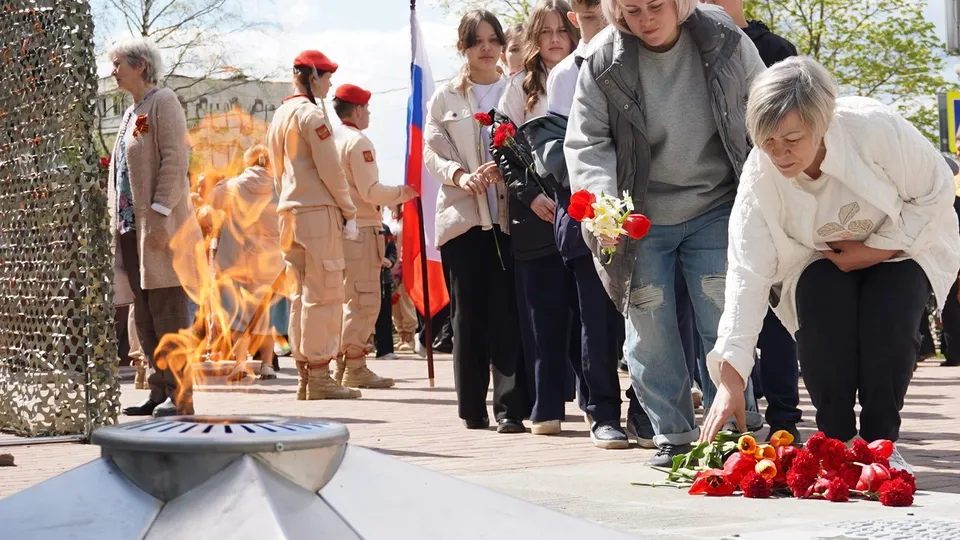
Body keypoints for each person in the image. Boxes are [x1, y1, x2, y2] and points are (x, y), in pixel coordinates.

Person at [701, 58, 960, 473]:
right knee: (822, 327)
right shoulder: (759, 180)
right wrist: (731, 378)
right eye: (767, 141)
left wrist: (875, 250)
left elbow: (936, 192)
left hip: (904, 245)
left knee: (890, 324)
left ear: (823, 122)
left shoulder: (875, 128)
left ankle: (880, 442)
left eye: (792, 139)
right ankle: (834, 443)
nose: (779, 154)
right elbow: (747, 273)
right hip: (816, 259)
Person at [565, 0, 766, 466]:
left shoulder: (725, 37)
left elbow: (762, 105)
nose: (645, 20)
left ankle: (735, 430)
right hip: (639, 215)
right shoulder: (602, 56)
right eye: (631, 11)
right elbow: (587, 141)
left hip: (717, 202)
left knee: (724, 318)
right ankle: (674, 435)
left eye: (656, 6)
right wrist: (603, 207)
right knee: (649, 326)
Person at [424, 9, 530, 433]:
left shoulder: (517, 91)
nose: (486, 48)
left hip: (509, 218)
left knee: (508, 313)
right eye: (476, 41)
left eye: (492, 40)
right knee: (468, 317)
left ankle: (510, 409)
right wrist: (459, 175)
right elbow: (433, 149)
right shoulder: (444, 97)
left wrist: (507, 168)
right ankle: (472, 408)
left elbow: (531, 146)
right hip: (464, 218)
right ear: (463, 48)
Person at [705, 0, 802, 441]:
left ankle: (785, 414)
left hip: (775, 191)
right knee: (732, 306)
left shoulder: (776, 47)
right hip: (718, 197)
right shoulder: (695, 43)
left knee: (778, 310)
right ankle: (739, 403)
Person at [495, 0, 583, 439]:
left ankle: (595, 401)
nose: (553, 39)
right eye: (544, 31)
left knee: (587, 316)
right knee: (544, 317)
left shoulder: (589, 74)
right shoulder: (518, 88)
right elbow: (503, 148)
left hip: (582, 212)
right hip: (536, 221)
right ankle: (546, 406)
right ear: (533, 38)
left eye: (560, 31)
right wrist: (530, 196)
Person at [109, 38, 203, 418]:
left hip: (160, 229)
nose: (113, 71)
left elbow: (175, 159)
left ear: (141, 66)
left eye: (118, 64)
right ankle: (157, 390)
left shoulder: (164, 101)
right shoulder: (130, 112)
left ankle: (182, 396)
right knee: (144, 315)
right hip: (132, 231)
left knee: (169, 312)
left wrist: (163, 211)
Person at [266, 49, 360, 400]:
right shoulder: (311, 116)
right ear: (312, 76)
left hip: (288, 211)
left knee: (299, 295)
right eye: (327, 76)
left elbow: (277, 172)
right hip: (316, 211)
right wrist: (349, 211)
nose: (330, 82)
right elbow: (331, 170)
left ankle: (307, 376)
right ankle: (319, 376)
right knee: (324, 295)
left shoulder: (279, 115)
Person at [331, 83, 419, 388]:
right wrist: (405, 192)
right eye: (366, 108)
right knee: (364, 300)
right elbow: (371, 191)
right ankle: (354, 365)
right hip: (363, 227)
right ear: (357, 110)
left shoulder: (333, 139)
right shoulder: (359, 143)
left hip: (343, 227)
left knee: (348, 298)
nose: (368, 113)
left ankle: (344, 364)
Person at [209, 145, 285, 380]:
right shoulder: (279, 186)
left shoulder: (233, 185)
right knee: (265, 312)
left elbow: (213, 201)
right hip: (270, 260)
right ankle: (266, 365)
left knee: (236, 312)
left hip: (238, 258)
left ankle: (240, 363)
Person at [375, 223, 399, 359]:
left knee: (385, 314)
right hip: (364, 277)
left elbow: (392, 249)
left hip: (384, 278)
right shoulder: (357, 224)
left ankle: (385, 350)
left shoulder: (384, 227)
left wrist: (390, 261)